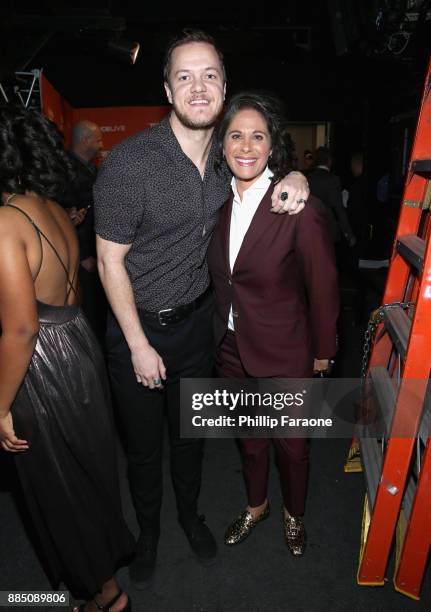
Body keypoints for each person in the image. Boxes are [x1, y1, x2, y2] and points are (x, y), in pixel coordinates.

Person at [94, 28, 310, 587]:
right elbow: (108, 263)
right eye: (184, 76)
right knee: (143, 453)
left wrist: (298, 176)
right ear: (167, 90)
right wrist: (138, 344)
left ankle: (190, 517)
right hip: (136, 333)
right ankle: (149, 535)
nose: (198, 87)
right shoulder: (128, 165)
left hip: (199, 327)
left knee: (190, 440)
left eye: (209, 74)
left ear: (223, 85)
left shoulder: (227, 157)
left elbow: (270, 165)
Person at [0, 106, 134, 612]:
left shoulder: (7, 219)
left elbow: (20, 327)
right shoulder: (51, 206)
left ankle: (104, 595)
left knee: (60, 485)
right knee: (87, 471)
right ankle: (99, 583)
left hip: (43, 363)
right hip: (78, 344)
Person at [207, 92, 339, 555]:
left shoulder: (295, 206)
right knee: (250, 441)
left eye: (257, 136)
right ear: (221, 145)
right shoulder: (215, 207)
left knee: (293, 446)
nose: (246, 146)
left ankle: (293, 514)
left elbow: (323, 285)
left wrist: (324, 351)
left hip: (285, 351)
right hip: (230, 350)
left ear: (271, 145)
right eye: (236, 135)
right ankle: (256, 505)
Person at [61, 120, 107, 343]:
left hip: (96, 250)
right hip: (83, 257)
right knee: (88, 313)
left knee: (98, 310)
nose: (101, 144)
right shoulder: (66, 170)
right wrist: (83, 254)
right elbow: (66, 216)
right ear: (85, 140)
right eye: (98, 140)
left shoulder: (90, 167)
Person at [307, 146, 356, 248]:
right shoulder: (333, 180)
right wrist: (348, 233)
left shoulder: (307, 178)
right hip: (328, 228)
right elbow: (338, 208)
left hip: (310, 227)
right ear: (329, 161)